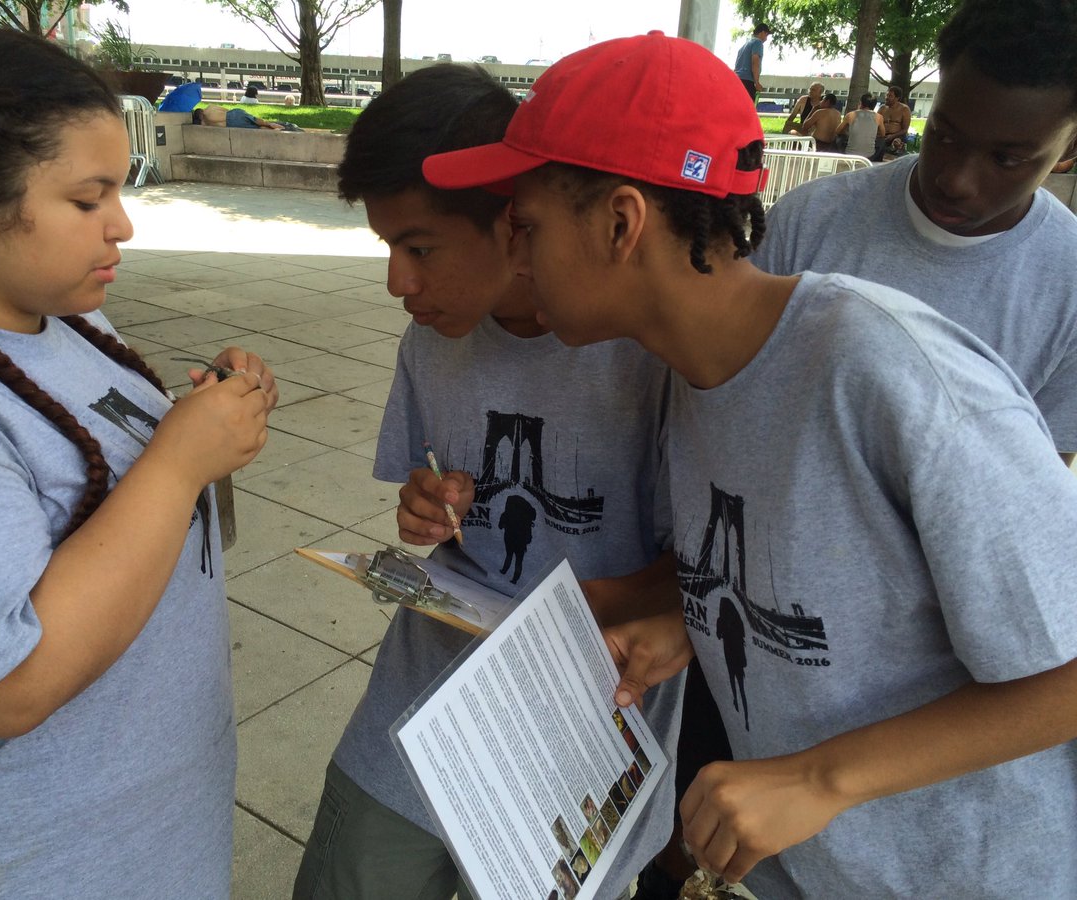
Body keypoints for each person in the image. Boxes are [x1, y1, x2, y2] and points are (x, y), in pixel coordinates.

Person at [423, 28, 1077, 899]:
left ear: (621, 222)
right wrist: (688, 626)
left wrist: (816, 778)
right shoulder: (699, 375)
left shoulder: (884, 370)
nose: (515, 258)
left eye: (527, 226)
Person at [0, 27, 279, 898]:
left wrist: (208, 429)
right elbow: (1, 687)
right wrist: (176, 463)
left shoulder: (66, 319)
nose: (122, 224)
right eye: (87, 198)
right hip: (28, 861)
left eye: (120, 189)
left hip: (147, 825)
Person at [292, 62, 681, 900]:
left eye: (419, 248)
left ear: (514, 221)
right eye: (388, 249)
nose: (399, 283)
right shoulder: (435, 338)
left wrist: (570, 618)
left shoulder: (643, 351)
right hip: (417, 712)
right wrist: (424, 512)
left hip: (580, 732)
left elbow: (701, 573)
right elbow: (422, 501)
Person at [755, 0, 1077, 465]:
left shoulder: (1068, 283)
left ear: (1068, 144)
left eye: (1006, 159)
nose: (956, 181)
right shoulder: (806, 223)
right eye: (944, 136)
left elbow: (1036, 491)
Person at [836, 90, 885, 158]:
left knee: (839, 138)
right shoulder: (879, 117)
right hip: (870, 155)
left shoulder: (851, 115)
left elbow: (837, 131)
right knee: (882, 141)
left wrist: (847, 134)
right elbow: (883, 134)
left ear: (861, 103)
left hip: (850, 153)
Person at [732, 22, 771, 101]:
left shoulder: (745, 45)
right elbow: (755, 62)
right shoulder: (758, 43)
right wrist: (757, 82)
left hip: (737, 80)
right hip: (747, 81)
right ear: (762, 32)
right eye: (766, 35)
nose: (766, 39)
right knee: (747, 109)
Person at [193, 103, 294, 130]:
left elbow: (204, 125)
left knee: (257, 127)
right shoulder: (211, 107)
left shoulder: (207, 118)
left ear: (200, 115)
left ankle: (275, 128)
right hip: (235, 112)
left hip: (232, 121)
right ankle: (271, 124)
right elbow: (226, 110)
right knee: (259, 122)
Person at [877, 84, 912, 154]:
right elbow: (876, 124)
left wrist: (892, 136)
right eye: (886, 95)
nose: (886, 98)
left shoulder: (904, 109)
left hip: (896, 136)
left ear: (897, 98)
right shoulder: (882, 108)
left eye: (890, 96)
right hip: (882, 136)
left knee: (896, 142)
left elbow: (905, 129)